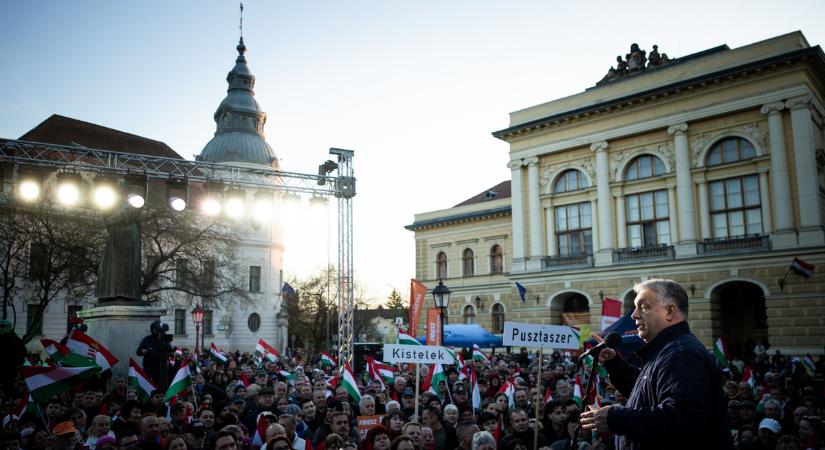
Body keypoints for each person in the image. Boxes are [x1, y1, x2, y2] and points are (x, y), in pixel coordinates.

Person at [580, 279, 733, 449]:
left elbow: (682, 418)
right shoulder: (667, 350)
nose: (634, 315)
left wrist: (615, 418)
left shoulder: (682, 353)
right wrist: (614, 364)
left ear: (669, 311)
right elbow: (649, 393)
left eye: (643, 307)